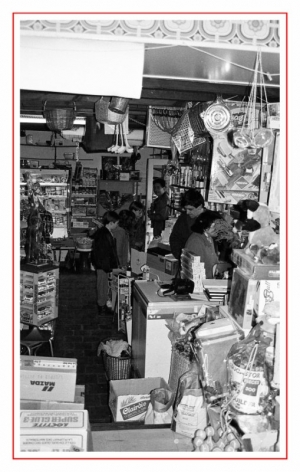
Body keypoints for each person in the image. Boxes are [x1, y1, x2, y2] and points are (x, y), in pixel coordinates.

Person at [91, 211, 119, 315]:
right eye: (116, 223)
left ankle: (102, 304)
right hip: (102, 265)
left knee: (103, 285)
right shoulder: (104, 234)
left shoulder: (104, 231)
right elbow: (103, 253)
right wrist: (109, 267)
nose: (117, 225)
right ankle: (101, 306)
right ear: (111, 223)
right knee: (102, 286)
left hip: (103, 265)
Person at [185, 211, 223, 279]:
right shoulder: (195, 242)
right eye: (215, 226)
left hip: (209, 280)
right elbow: (195, 272)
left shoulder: (209, 237)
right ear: (205, 226)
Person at [169, 189, 206, 261]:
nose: (187, 212)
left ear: (200, 206)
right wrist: (181, 256)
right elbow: (174, 238)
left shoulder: (212, 218)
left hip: (207, 264)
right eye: (186, 209)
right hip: (186, 263)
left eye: (190, 209)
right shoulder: (183, 218)